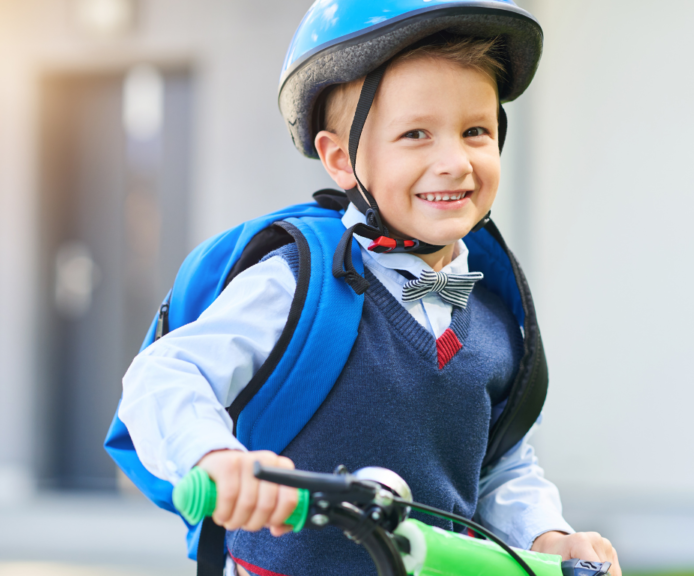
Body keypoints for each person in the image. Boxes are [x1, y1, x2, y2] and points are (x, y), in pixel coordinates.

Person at [114, 2, 621, 575]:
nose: (455, 161)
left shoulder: (493, 317)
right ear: (341, 158)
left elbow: (498, 465)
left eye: (475, 131)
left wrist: (546, 535)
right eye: (415, 134)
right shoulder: (298, 286)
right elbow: (167, 374)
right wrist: (214, 456)